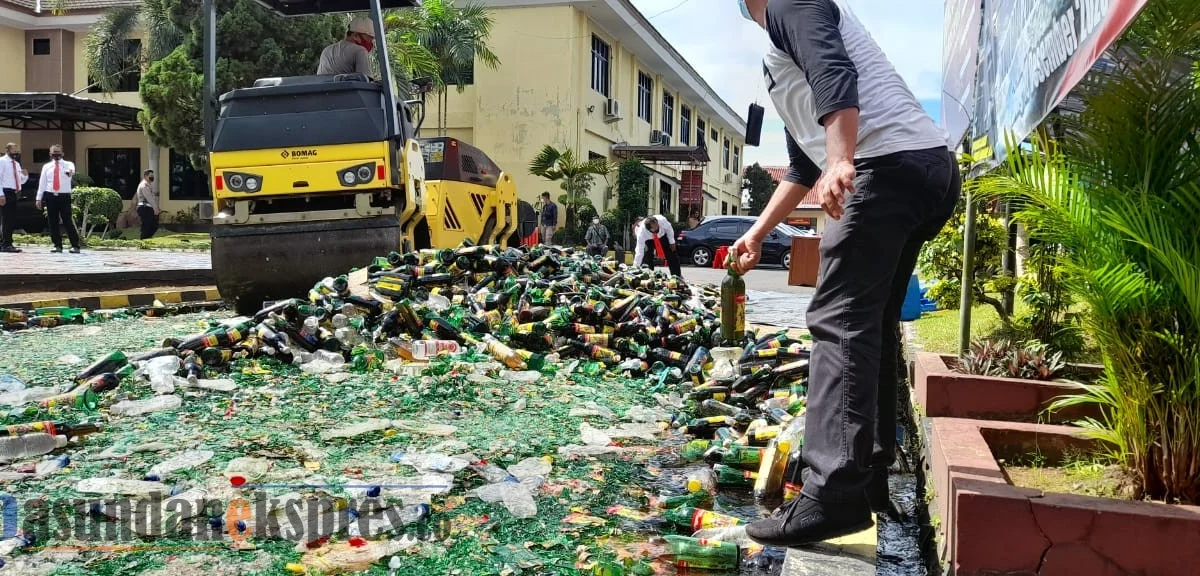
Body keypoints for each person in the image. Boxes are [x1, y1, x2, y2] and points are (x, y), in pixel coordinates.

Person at [731, 0, 960, 546]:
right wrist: (758, 232)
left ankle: (833, 493)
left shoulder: (792, 2)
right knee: (871, 321)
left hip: (886, 167)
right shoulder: (776, 56)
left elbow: (836, 70)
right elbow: (803, 165)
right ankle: (871, 472)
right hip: (921, 168)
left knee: (837, 321)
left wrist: (843, 158)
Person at [36, 144, 81, 254]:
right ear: (50, 154)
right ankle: (57, 245)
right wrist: (38, 198)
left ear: (62, 153)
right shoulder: (46, 166)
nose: (56, 154)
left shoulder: (68, 164)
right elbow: (42, 183)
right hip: (50, 195)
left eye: (58, 152)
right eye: (54, 152)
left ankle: (75, 245)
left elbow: (71, 172)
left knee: (67, 220)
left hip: (64, 195)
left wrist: (68, 172)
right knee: (52, 221)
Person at [0, 142, 29, 253]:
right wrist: (1, 194)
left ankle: (6, 242)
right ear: (8, 150)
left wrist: (25, 176)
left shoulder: (16, 164)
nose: (16, 152)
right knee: (6, 220)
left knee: (10, 219)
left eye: (17, 150)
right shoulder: (2, 161)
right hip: (5, 191)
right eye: (14, 150)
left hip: (13, 192)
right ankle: (6, 244)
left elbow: (19, 181)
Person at [134, 169, 160, 240]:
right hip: (144, 207)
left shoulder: (148, 185)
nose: (152, 177)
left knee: (154, 225)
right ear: (145, 176)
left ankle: (147, 239)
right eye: (150, 176)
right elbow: (149, 198)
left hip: (148, 208)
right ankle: (143, 241)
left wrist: (154, 207)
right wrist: (155, 208)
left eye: (153, 176)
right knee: (147, 225)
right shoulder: (144, 185)